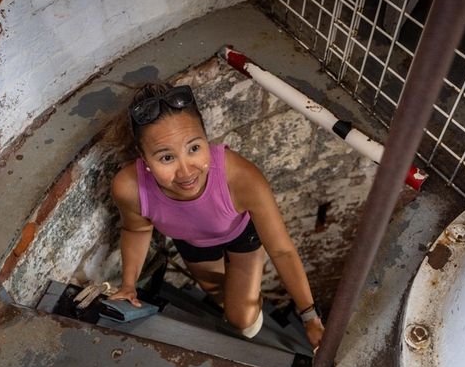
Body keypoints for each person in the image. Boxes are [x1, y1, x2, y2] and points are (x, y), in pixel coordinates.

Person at [108, 82, 324, 348]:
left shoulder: (241, 177)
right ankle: (236, 291)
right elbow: (136, 230)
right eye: (166, 158)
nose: (186, 172)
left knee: (241, 319)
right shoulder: (128, 187)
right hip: (192, 242)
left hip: (241, 236)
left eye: (194, 148)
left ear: (206, 138)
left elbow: (282, 251)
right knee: (215, 292)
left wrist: (310, 318)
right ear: (144, 158)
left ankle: (249, 294)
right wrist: (128, 284)